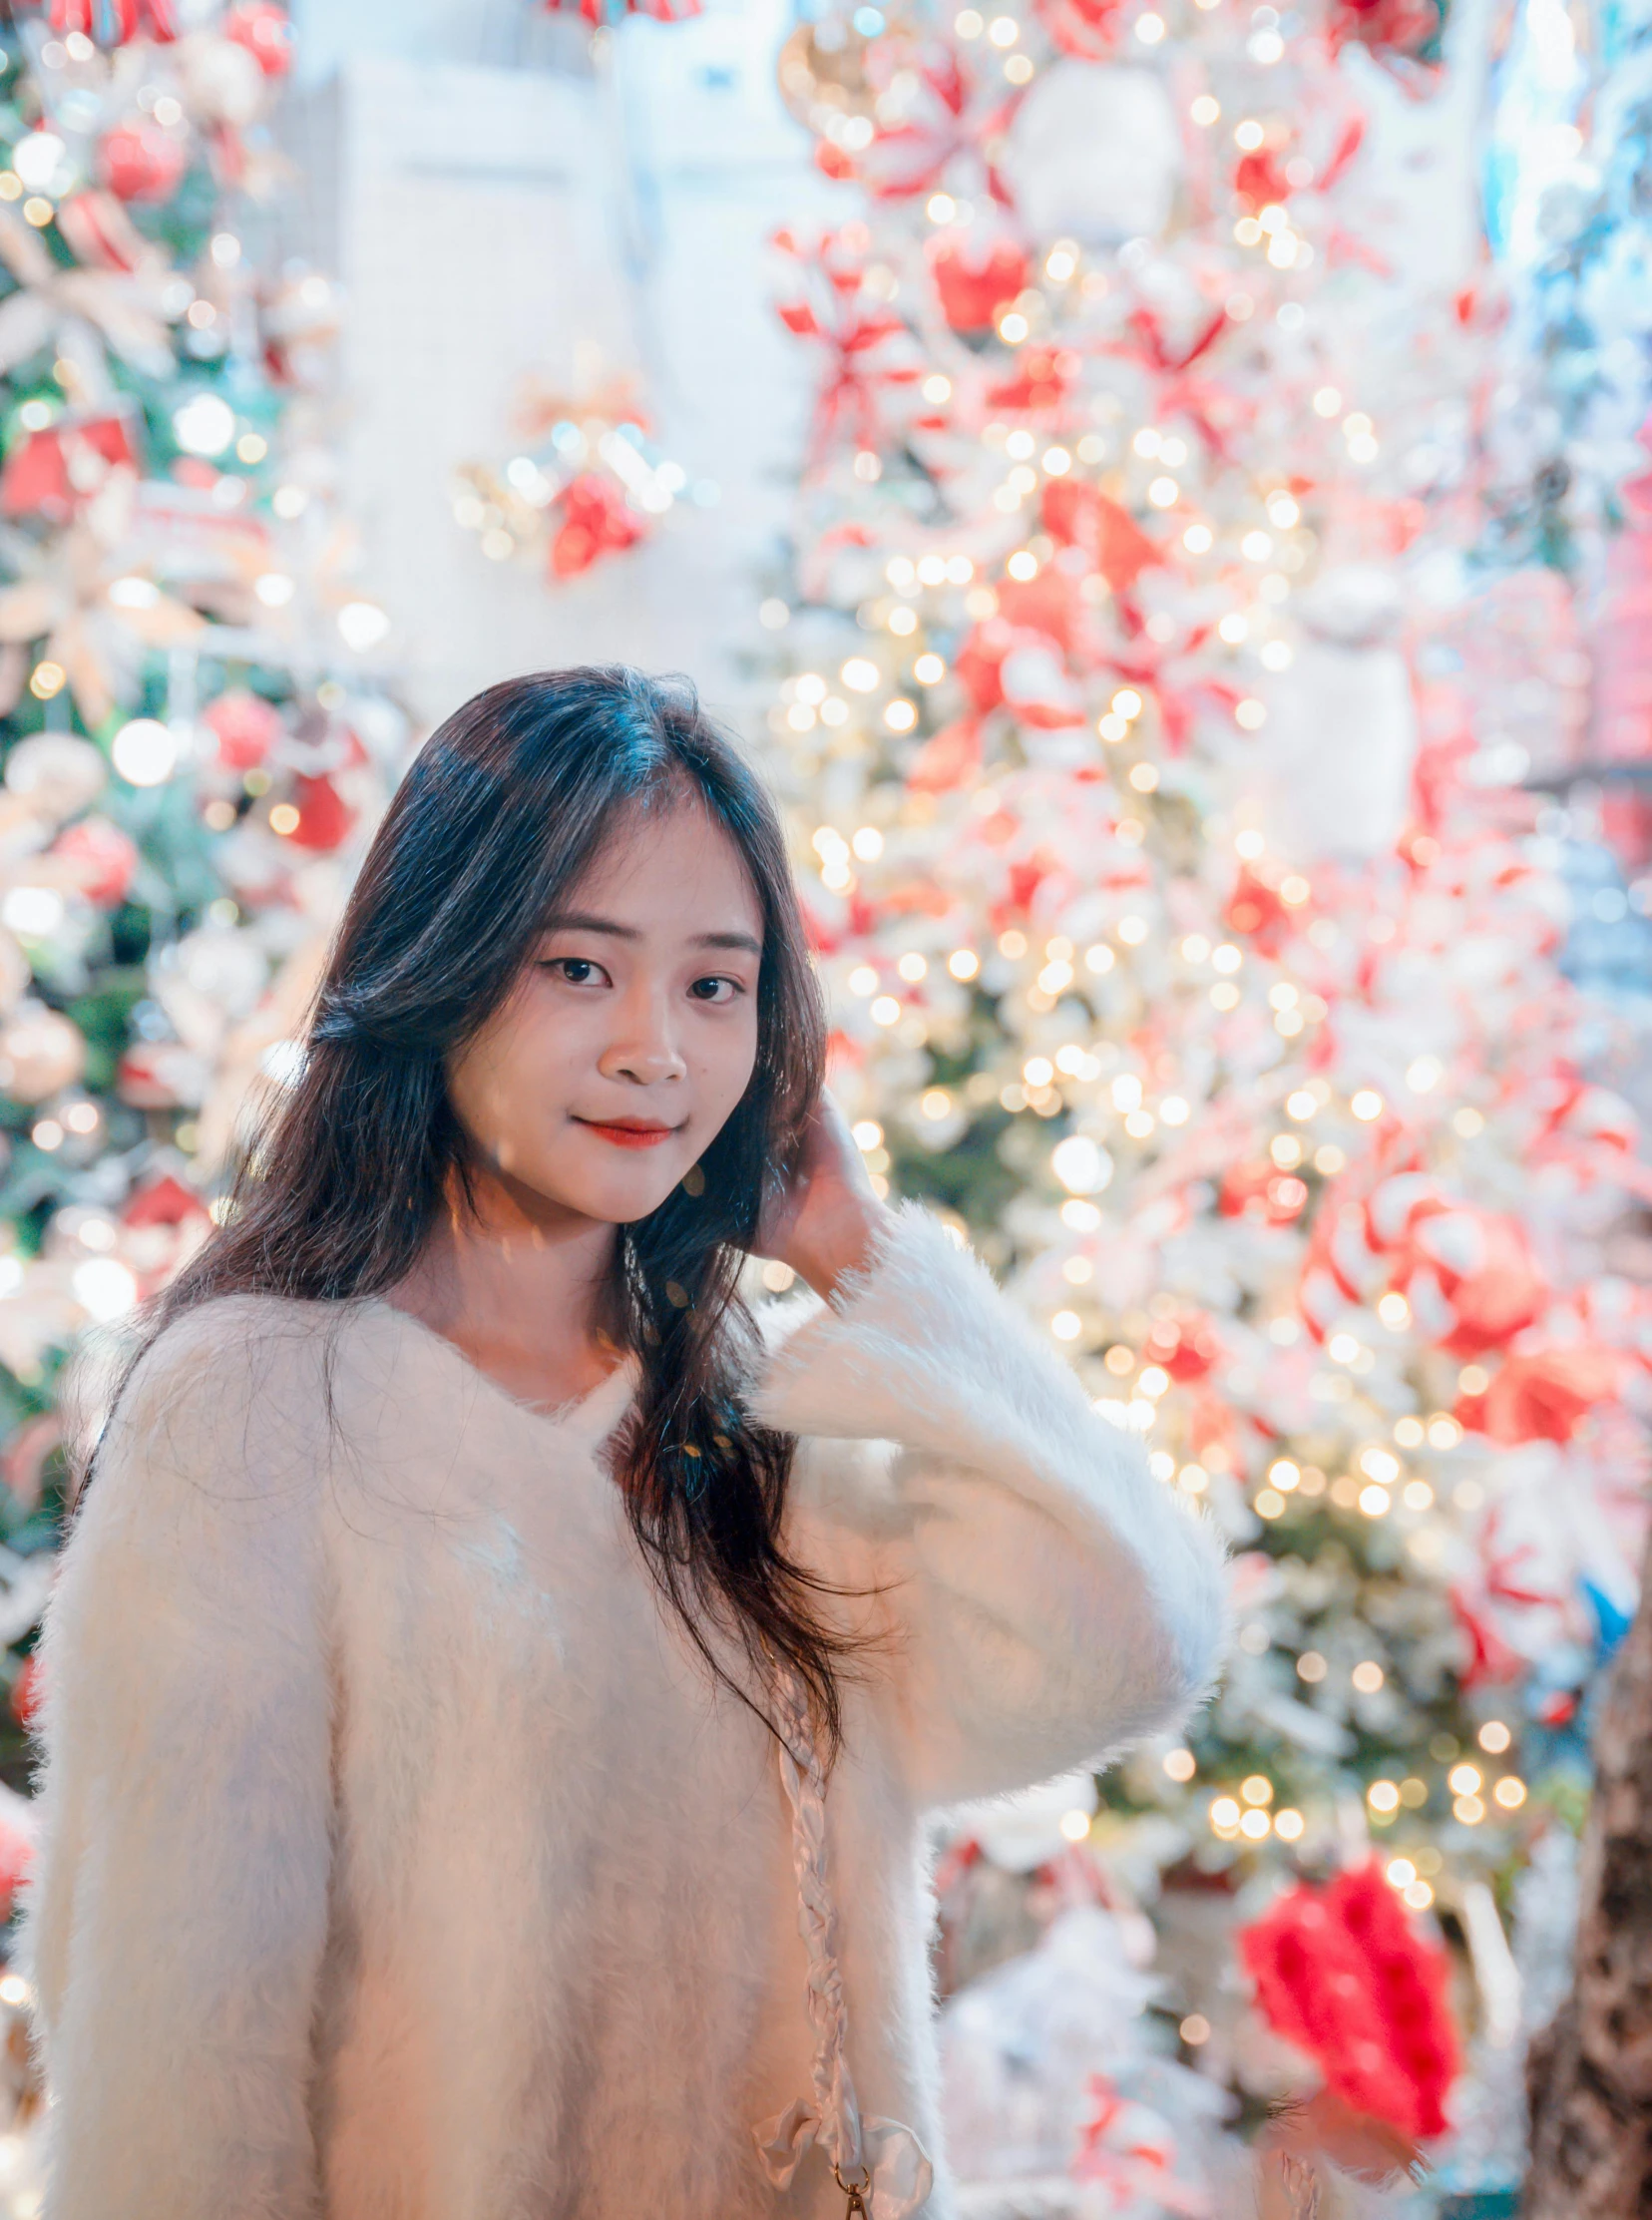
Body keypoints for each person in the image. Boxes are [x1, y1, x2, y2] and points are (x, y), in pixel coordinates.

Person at [15, 666, 1227, 2220]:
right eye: (580, 968)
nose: (659, 1049)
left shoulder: (761, 1410)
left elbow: (1132, 1650)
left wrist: (866, 1257)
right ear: (440, 963)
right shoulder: (255, 1408)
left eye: (717, 986)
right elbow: (178, 2075)